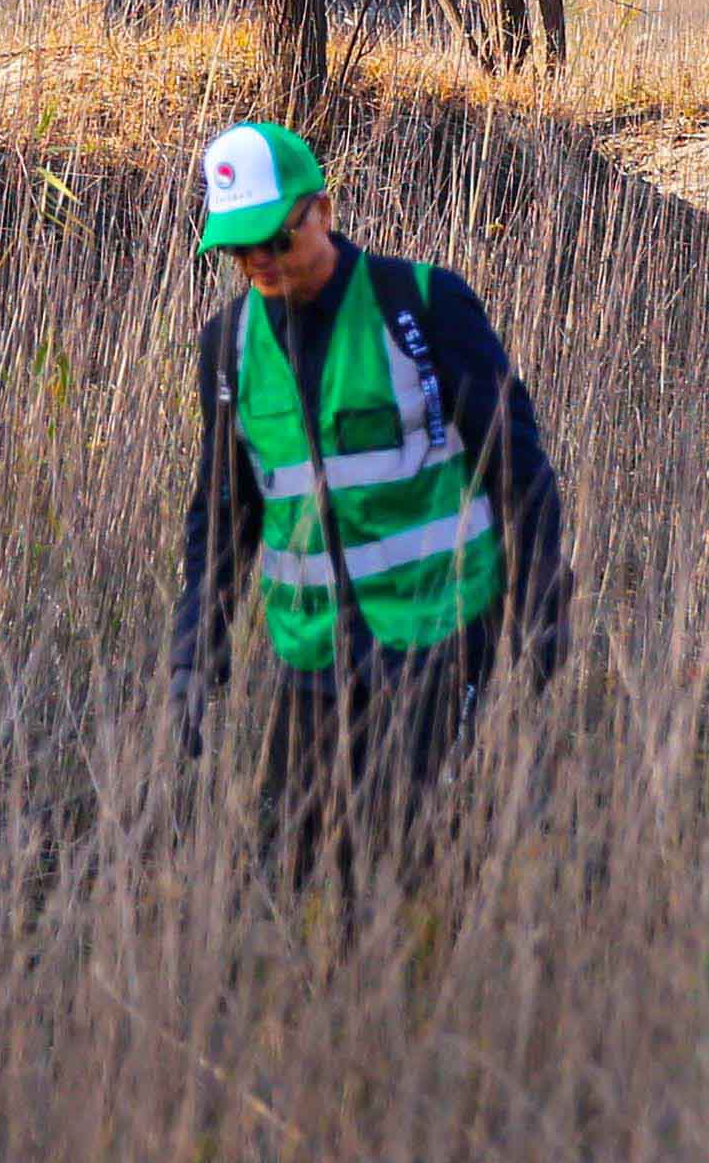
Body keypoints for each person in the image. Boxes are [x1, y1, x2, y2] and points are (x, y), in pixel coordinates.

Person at [170, 119, 570, 877]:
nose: (260, 262)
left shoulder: (422, 304)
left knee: (406, 850)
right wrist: (197, 650)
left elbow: (516, 464)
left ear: (322, 209)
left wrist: (542, 606)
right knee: (300, 861)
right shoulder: (227, 344)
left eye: (276, 239)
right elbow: (223, 514)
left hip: (440, 630)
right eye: (238, 249)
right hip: (312, 648)